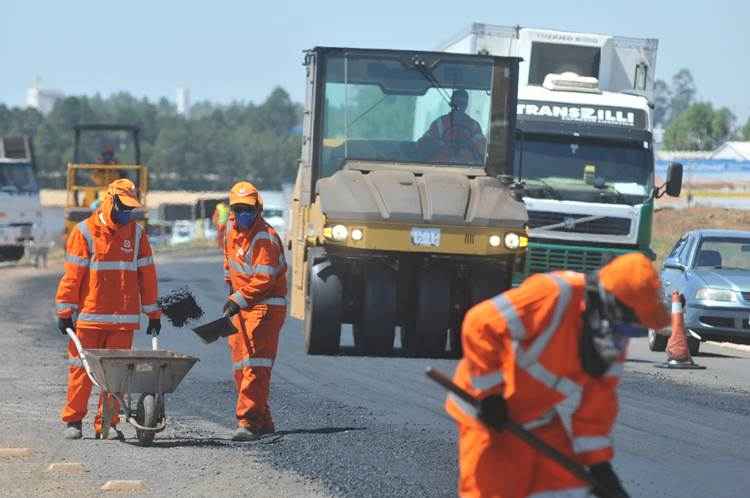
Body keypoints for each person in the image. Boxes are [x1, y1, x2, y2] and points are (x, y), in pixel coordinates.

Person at [445, 253, 671, 498]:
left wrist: (600, 468)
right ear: (609, 306)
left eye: (635, 330)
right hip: (487, 412)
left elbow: (596, 410)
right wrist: (490, 395)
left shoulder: (610, 344)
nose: (626, 337)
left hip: (534, 417)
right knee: (494, 490)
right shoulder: (555, 294)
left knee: (569, 487)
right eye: (628, 326)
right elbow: (480, 323)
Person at [56, 178, 161, 440]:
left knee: (115, 377)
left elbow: (147, 277)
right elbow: (72, 276)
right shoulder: (84, 232)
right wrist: (64, 311)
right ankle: (74, 422)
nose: (127, 214)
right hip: (89, 319)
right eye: (123, 208)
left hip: (123, 321)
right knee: (81, 372)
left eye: (131, 209)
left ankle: (108, 424)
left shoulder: (137, 235)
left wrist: (153, 312)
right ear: (110, 201)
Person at [222, 181, 287, 441]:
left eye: (248, 209)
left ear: (258, 209)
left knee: (255, 367)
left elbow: (264, 279)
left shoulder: (265, 238)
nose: (243, 214)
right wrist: (232, 296)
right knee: (241, 366)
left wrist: (238, 298)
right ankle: (264, 420)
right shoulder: (230, 230)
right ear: (232, 211)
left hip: (266, 307)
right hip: (241, 306)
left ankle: (248, 422)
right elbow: (229, 265)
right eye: (238, 209)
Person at [419, 89, 487, 164]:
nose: (459, 106)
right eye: (457, 103)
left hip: (468, 167)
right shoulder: (440, 123)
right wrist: (442, 145)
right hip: (440, 165)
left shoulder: (474, 125)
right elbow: (426, 142)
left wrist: (468, 145)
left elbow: (482, 147)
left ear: (466, 105)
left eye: (463, 103)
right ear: (451, 103)